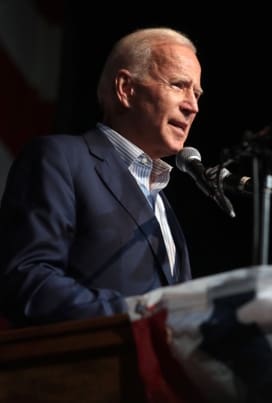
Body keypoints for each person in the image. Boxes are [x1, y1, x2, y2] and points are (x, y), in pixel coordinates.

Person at [0, 27, 202, 327]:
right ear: (125, 89)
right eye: (178, 85)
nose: (192, 106)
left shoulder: (162, 204)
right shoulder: (61, 159)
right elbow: (28, 279)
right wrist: (132, 315)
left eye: (196, 93)